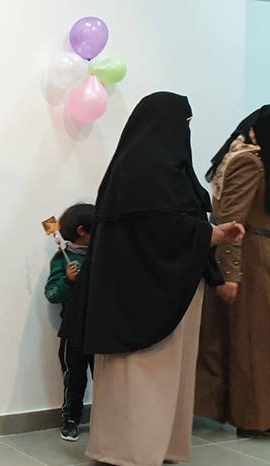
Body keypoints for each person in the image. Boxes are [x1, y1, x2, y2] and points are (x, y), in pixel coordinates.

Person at [67, 92, 245, 466]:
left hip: (166, 286)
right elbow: (162, 226)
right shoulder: (147, 170)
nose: (186, 132)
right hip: (146, 290)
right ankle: (130, 449)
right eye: (184, 124)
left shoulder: (139, 168)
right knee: (144, 369)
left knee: (163, 371)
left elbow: (174, 221)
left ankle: (159, 446)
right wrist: (211, 234)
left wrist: (209, 238)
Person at [196, 104, 270, 439]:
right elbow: (231, 221)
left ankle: (259, 414)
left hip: (257, 256)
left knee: (254, 336)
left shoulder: (247, 157)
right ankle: (259, 417)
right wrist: (231, 273)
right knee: (257, 338)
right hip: (249, 258)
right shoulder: (248, 161)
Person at [43, 203, 95, 442]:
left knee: (107, 377)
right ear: (82, 231)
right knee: (74, 377)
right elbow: (52, 294)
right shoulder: (62, 259)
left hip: (101, 328)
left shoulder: (101, 255)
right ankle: (71, 419)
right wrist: (68, 280)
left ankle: (108, 418)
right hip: (74, 329)